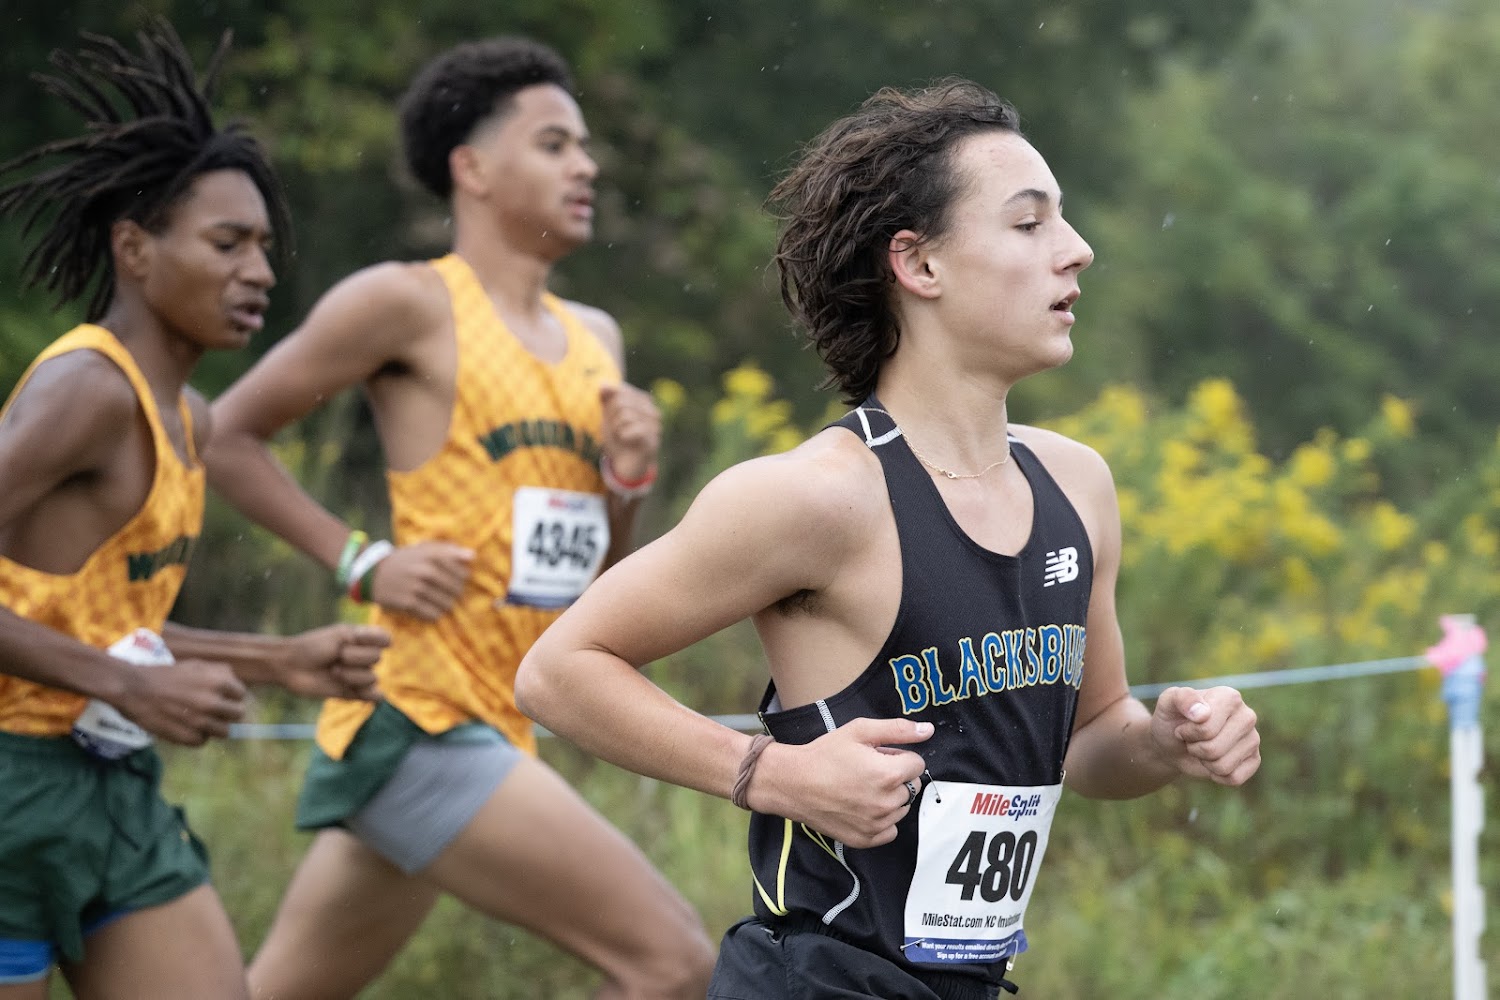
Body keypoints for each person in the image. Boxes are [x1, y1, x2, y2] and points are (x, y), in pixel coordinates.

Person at [516, 79, 1264, 999]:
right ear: (918, 263)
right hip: (818, 980)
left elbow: (1093, 737)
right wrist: (771, 773)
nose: (1077, 249)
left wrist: (1166, 745)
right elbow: (558, 671)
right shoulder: (818, 498)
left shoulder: (1078, 486)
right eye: (1029, 224)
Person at [205, 35, 714, 999]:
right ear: (471, 169)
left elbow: (594, 586)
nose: (586, 165)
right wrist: (361, 561)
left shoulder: (597, 339)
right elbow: (226, 436)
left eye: (585, 146)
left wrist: (629, 481)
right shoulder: (405, 303)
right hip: (418, 715)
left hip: (502, 717)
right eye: (554, 144)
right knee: (676, 963)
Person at [0, 20, 387, 1000]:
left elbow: (98, 623)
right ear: (134, 248)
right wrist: (125, 687)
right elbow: (109, 661)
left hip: (109, 790)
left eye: (263, 246)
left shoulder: (191, 418)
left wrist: (277, 659)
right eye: (227, 243)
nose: (259, 270)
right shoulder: (86, 391)